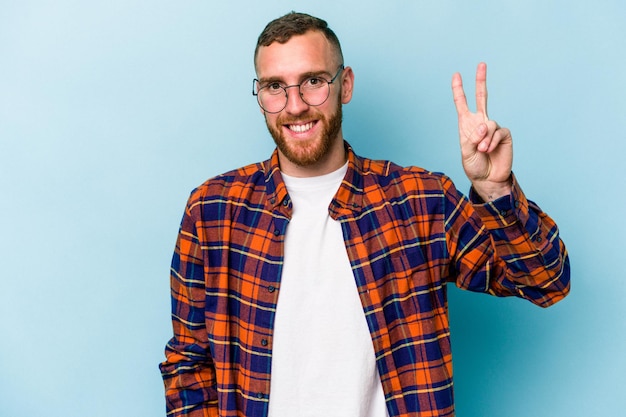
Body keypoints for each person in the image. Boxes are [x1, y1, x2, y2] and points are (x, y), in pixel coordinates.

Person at [159, 11, 570, 417]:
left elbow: (545, 281)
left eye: (314, 81)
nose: (295, 105)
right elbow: (187, 365)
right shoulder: (213, 212)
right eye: (274, 86)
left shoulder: (420, 202)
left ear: (346, 84)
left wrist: (495, 190)